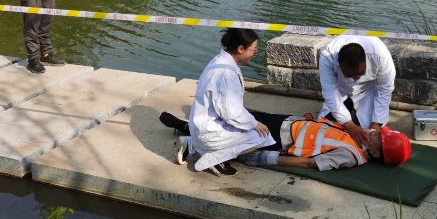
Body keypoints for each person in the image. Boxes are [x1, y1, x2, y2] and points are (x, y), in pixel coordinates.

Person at [163, 28, 275, 176]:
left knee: (248, 125)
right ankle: (212, 159)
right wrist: (254, 123)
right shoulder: (226, 73)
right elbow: (232, 113)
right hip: (208, 133)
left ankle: (191, 145)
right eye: (254, 50)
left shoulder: (219, 60)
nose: (255, 53)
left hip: (202, 127)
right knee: (262, 136)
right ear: (241, 49)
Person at [159, 109, 412, 171]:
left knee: (231, 134)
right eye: (380, 131)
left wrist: (269, 159)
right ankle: (190, 128)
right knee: (234, 116)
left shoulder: (351, 155)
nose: (376, 132)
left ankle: (187, 134)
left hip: (279, 139)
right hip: (286, 122)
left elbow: (311, 163)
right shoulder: (361, 135)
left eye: (379, 137)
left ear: (376, 153)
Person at [317, 35, 396, 147]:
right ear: (340, 64)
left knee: (370, 135)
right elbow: (330, 93)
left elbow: (385, 90)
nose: (355, 79)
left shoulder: (381, 56)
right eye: (349, 75)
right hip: (340, 91)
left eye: (360, 74)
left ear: (365, 60)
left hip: (367, 91)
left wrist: (376, 124)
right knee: (325, 131)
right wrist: (350, 125)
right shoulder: (327, 56)